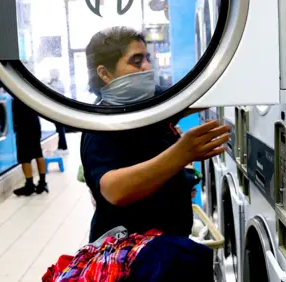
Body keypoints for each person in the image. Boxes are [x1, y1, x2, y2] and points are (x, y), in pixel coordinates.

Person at [81, 26, 230, 243]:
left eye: (147, 59)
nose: (148, 67)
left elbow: (194, 96)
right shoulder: (102, 124)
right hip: (129, 258)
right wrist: (181, 154)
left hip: (166, 247)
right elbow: (115, 190)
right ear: (104, 73)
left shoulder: (149, 106)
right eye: (136, 61)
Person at [12, 98, 49, 196]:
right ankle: (42, 183)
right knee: (37, 152)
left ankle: (29, 186)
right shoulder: (29, 89)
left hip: (23, 124)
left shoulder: (16, 92)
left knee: (24, 157)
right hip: (34, 122)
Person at [47, 69, 69, 155]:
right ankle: (61, 146)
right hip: (60, 109)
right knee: (60, 129)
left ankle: (63, 147)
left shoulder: (54, 84)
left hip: (57, 110)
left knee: (60, 130)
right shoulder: (59, 83)